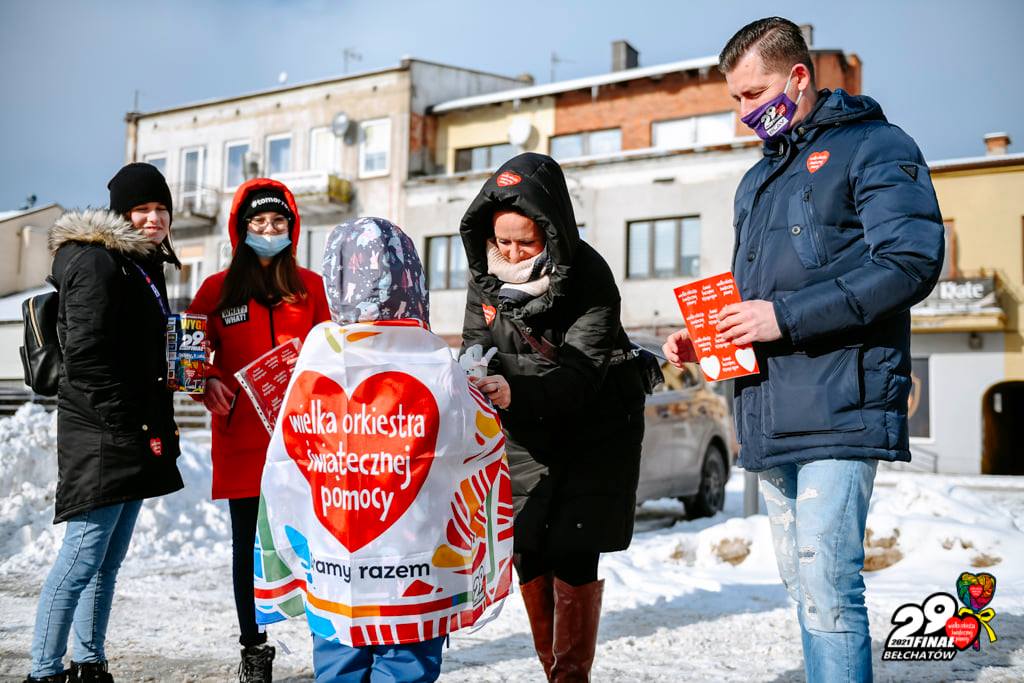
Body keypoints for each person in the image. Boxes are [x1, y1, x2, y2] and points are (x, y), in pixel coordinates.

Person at [663, 17, 944, 682]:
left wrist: (781, 316)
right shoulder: (756, 182)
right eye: (734, 99)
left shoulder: (876, 147)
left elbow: (912, 259)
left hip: (842, 404)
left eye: (753, 93)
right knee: (803, 583)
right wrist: (709, 335)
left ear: (797, 77)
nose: (743, 113)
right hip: (771, 408)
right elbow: (758, 298)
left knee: (829, 589)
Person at [254, 217, 512, 682]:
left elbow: (287, 462)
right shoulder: (433, 360)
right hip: (414, 567)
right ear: (413, 282)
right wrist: (478, 390)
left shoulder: (316, 356)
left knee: (339, 667)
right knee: (406, 668)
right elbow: (474, 442)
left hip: (335, 566)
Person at [460, 153, 647, 681]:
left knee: (573, 549)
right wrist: (472, 374)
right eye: (504, 241)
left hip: (595, 430)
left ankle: (570, 677)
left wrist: (511, 392)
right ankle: (552, 670)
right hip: (522, 429)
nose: (513, 253)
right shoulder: (486, 275)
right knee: (528, 548)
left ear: (552, 229)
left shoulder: (590, 275)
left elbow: (581, 375)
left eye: (527, 241)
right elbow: (477, 343)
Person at [25, 162, 185, 683]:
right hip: (102, 432)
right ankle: (43, 671)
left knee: (105, 564)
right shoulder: (96, 262)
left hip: (129, 431)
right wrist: (125, 421)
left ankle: (89, 662)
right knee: (79, 560)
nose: (154, 219)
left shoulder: (135, 263)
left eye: (161, 210)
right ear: (121, 213)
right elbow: (88, 356)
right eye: (142, 210)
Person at [186, 178, 330, 682]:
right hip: (243, 442)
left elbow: (335, 353)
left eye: (278, 222)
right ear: (240, 229)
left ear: (292, 228)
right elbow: (181, 352)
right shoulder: (217, 289)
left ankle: (324, 636)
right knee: (247, 546)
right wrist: (204, 385)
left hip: (303, 445)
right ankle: (254, 647)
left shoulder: (312, 288)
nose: (269, 231)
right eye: (258, 223)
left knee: (313, 545)